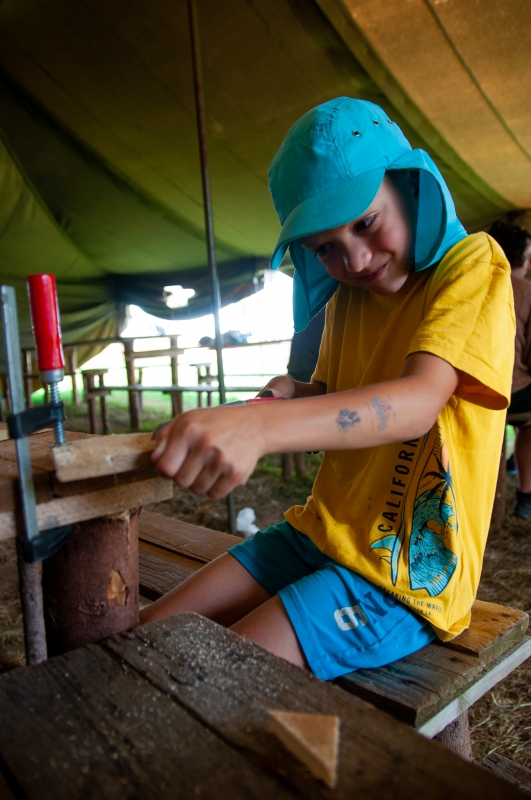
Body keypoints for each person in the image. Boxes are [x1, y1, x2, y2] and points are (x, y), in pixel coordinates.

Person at [140, 98, 514, 682]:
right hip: (318, 532)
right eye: (325, 248)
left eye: (365, 223)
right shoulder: (349, 298)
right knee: (145, 637)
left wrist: (260, 427)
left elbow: (417, 403)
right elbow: (341, 400)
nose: (355, 259)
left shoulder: (472, 266)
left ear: (410, 185)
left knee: (204, 675)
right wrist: (292, 395)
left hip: (399, 574)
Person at [488, 220, 531, 518]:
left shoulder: (471, 282)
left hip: (470, 388)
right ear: (520, 257)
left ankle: (509, 465)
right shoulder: (527, 291)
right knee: (528, 422)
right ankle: (525, 496)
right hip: (514, 393)